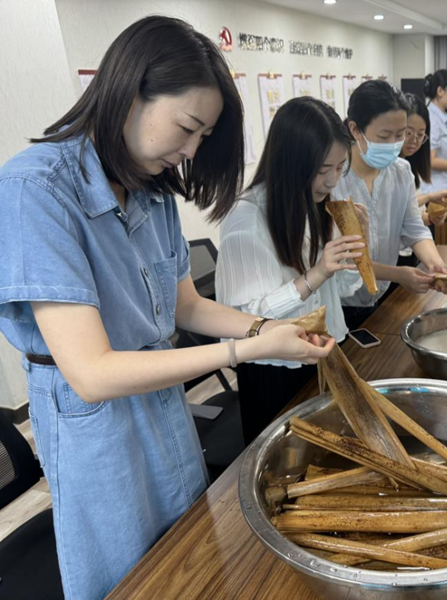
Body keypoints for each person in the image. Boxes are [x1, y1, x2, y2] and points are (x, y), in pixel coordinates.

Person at [0, 16, 332, 600]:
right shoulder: (36, 190)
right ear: (130, 93)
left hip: (161, 397)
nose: (190, 151)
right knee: (128, 576)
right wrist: (246, 348)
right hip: (95, 422)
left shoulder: (150, 190)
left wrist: (270, 327)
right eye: (187, 127)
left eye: (204, 136)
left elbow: (189, 307)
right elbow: (93, 373)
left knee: (187, 551)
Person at [216, 97, 365, 444]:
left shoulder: (312, 202)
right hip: (274, 368)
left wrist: (359, 242)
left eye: (340, 167)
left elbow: (345, 289)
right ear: (291, 162)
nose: (332, 181)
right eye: (322, 169)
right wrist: (316, 275)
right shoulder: (246, 219)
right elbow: (249, 319)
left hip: (322, 353)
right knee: (284, 461)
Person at [333, 80, 447, 329]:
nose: (393, 144)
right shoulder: (333, 179)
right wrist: (398, 274)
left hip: (380, 297)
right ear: (355, 130)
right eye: (384, 136)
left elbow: (414, 229)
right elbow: (342, 262)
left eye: (400, 135)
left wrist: (435, 264)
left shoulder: (401, 171)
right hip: (338, 304)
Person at [400, 92, 447, 228]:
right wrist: (429, 197)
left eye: (420, 135)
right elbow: (398, 209)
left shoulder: (413, 165)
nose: (414, 140)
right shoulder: (389, 167)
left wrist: (431, 218)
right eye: (408, 133)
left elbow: (414, 217)